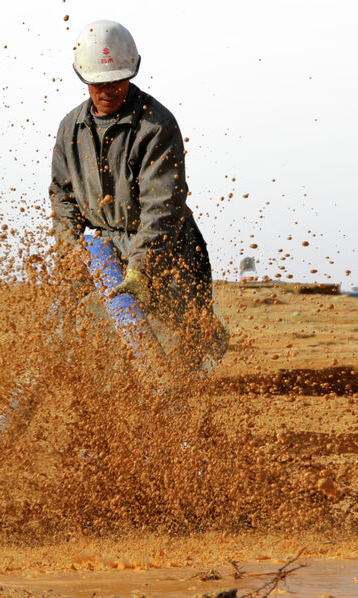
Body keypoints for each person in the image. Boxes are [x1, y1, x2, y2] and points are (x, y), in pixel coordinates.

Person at [49, 19, 227, 373]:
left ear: (131, 72)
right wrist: (70, 252)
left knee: (189, 338)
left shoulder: (156, 125)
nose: (108, 90)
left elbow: (162, 206)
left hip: (167, 243)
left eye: (117, 79)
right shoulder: (71, 128)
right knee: (111, 335)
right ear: (84, 79)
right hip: (104, 246)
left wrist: (141, 267)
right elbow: (63, 196)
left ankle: (207, 340)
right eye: (98, 83)